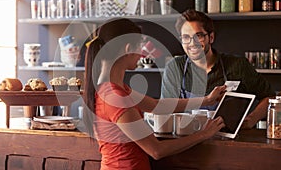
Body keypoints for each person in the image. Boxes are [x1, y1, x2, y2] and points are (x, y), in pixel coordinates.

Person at [83, 17, 226, 170]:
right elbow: (156, 150)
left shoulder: (111, 89)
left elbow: (156, 105)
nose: (142, 54)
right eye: (139, 47)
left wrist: (206, 100)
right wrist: (203, 134)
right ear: (128, 48)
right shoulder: (116, 97)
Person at [161, 9, 276, 129]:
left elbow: (270, 97)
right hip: (188, 142)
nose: (192, 43)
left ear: (211, 37)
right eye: (185, 37)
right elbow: (166, 108)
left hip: (230, 143)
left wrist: (251, 120)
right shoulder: (175, 68)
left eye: (198, 36)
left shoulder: (237, 65)